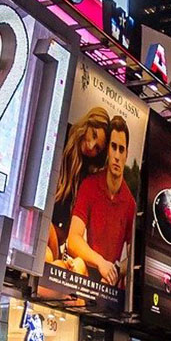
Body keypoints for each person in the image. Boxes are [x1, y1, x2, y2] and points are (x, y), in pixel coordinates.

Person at [65, 115, 138, 287]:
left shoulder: (130, 203)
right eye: (114, 147)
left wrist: (116, 270)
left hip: (111, 287)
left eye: (122, 149)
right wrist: (100, 263)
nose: (117, 156)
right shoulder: (90, 185)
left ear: (126, 154)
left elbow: (134, 254)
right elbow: (73, 239)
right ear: (107, 151)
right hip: (84, 274)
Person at [44, 106, 110, 263]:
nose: (91, 145)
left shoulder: (85, 177)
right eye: (93, 135)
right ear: (87, 123)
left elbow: (65, 231)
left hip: (50, 243)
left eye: (98, 148)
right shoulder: (59, 134)